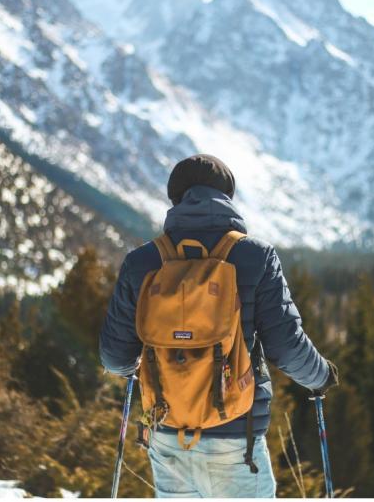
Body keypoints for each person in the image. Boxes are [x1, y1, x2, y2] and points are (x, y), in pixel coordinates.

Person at [100, 153, 338, 498]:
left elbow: (114, 358)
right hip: (235, 435)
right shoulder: (256, 257)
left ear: (175, 198)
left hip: (168, 432)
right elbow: (286, 345)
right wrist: (320, 377)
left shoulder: (142, 262)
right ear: (227, 197)